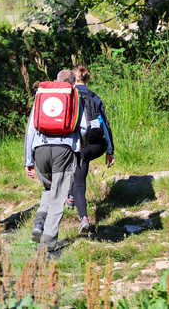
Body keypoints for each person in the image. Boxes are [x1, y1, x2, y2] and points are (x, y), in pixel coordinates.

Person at [25, 69, 89, 253]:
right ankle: (49, 241)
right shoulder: (74, 96)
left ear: (56, 80)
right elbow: (84, 127)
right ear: (73, 83)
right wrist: (80, 146)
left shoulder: (41, 95)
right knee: (60, 194)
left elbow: (30, 129)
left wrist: (28, 159)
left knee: (48, 189)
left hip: (40, 149)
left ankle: (39, 223)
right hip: (64, 149)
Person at [66, 64, 115, 235]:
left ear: (73, 79)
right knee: (81, 165)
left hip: (76, 145)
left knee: (78, 180)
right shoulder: (95, 97)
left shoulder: (69, 96)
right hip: (97, 145)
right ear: (88, 78)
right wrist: (110, 151)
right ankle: (72, 197)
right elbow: (106, 126)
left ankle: (83, 217)